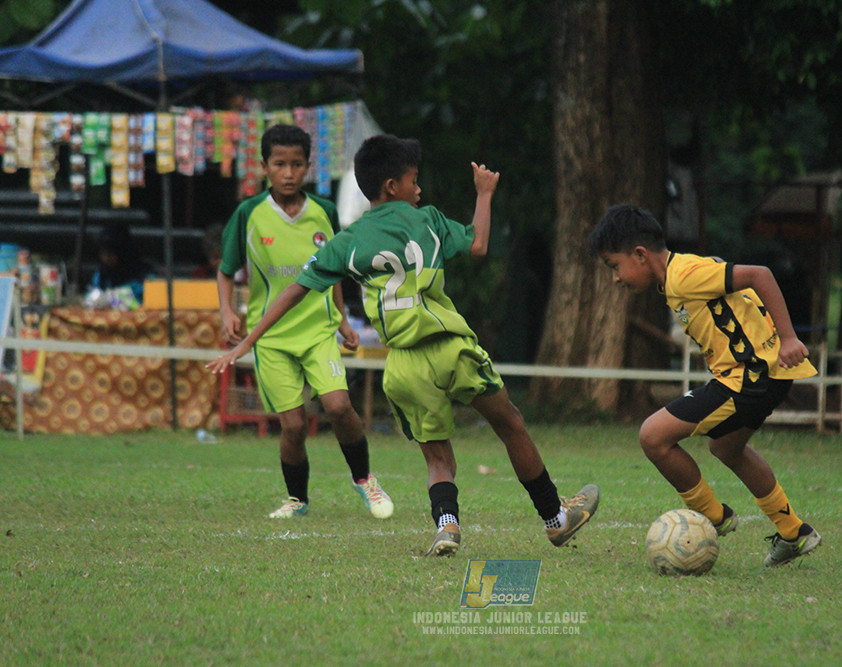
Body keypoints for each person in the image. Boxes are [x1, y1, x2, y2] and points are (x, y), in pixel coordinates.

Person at [209, 134, 599, 556]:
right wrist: (484, 195)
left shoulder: (347, 241)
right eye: (414, 180)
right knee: (510, 424)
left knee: (437, 459)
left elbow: (292, 293)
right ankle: (555, 518)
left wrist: (244, 342)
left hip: (404, 368)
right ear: (392, 186)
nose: (419, 188)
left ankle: (447, 526)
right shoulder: (427, 219)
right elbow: (479, 244)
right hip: (452, 348)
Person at [588, 204, 821, 567]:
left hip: (750, 376)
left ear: (640, 254)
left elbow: (760, 275)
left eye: (614, 266)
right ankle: (793, 531)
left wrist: (788, 338)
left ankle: (714, 517)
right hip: (761, 376)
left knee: (653, 436)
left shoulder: (684, 275)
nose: (616, 278)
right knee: (727, 448)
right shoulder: (679, 276)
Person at [216, 123, 393, 521]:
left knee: (338, 405)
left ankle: (364, 479)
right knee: (293, 426)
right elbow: (226, 270)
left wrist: (344, 320)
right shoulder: (248, 214)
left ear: (308, 167)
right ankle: (298, 500)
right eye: (280, 164)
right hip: (272, 337)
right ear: (265, 167)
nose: (289, 172)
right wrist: (228, 311)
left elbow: (331, 271)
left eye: (297, 164)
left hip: (318, 331)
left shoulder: (324, 213)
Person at [90, 221, 155, 303]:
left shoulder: (143, 276)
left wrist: (112, 298)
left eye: (110, 254)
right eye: (102, 253)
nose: (105, 258)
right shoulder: (101, 276)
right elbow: (92, 294)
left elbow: (141, 300)